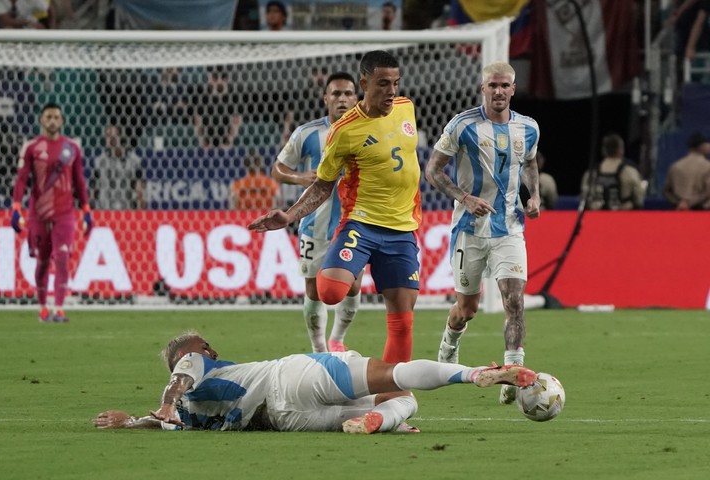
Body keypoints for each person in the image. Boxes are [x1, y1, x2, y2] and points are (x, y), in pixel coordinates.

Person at [249, 50, 422, 364]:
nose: (391, 91)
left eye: (395, 83)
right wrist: (289, 214)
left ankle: (391, 399)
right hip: (362, 224)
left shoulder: (406, 108)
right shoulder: (343, 131)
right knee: (327, 292)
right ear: (365, 83)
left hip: (402, 229)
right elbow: (323, 185)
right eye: (383, 84)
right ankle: (320, 348)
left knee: (402, 322)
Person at [92, 331, 537, 433]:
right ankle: (474, 373)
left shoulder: (187, 417)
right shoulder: (192, 368)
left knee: (402, 407)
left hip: (285, 420)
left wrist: (131, 422)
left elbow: (164, 416)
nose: (206, 351)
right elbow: (178, 382)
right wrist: (166, 401)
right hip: (294, 374)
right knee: (394, 377)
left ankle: (381, 422)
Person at [424, 61, 541, 406]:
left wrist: (533, 196)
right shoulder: (462, 125)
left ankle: (512, 373)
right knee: (467, 308)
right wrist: (464, 197)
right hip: (469, 229)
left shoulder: (529, 128)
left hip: (510, 227)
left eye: (505, 85)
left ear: (513, 89)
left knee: (514, 300)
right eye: (493, 86)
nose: (499, 91)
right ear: (482, 89)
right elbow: (433, 170)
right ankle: (449, 344)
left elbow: (530, 163)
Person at [271, 72, 361, 353]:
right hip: (315, 223)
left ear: (356, 98)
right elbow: (278, 169)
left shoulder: (368, 131)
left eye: (348, 93)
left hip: (354, 221)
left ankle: (338, 339)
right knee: (314, 290)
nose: (342, 99)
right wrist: (299, 178)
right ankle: (319, 348)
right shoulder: (307, 133)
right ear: (326, 99)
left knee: (353, 286)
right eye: (336, 94)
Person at [10, 102, 93, 323]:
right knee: (43, 261)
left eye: (56, 117)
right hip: (38, 212)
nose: (53, 121)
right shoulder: (31, 147)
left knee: (63, 257)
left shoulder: (72, 149)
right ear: (41, 120)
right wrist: (16, 207)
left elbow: (79, 182)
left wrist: (86, 210)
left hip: (64, 213)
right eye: (48, 117)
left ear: (62, 121)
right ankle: (42, 307)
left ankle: (59, 309)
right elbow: (21, 180)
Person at [580, 133, 646, 210]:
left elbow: (585, 199)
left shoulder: (591, 173)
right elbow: (639, 200)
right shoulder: (630, 172)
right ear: (621, 150)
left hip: (596, 218)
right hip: (623, 219)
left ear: (603, 150)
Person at [91, 124, 145, 210]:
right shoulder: (99, 161)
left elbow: (139, 191)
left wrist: (140, 213)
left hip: (126, 210)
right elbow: (94, 190)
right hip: (104, 211)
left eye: (114, 137)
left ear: (121, 137)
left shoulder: (133, 160)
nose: (111, 140)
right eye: (108, 136)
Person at [191, 66, 242, 150]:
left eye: (222, 78)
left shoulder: (234, 97)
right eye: (215, 78)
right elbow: (197, 120)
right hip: (207, 139)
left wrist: (229, 140)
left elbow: (236, 120)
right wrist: (202, 140)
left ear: (226, 79)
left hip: (225, 139)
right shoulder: (202, 97)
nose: (218, 81)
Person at [663, 131, 710, 209]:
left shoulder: (675, 166)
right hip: (701, 211)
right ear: (702, 146)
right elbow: (708, 192)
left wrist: (679, 203)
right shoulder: (708, 166)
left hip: (679, 210)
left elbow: (666, 191)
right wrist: (689, 203)